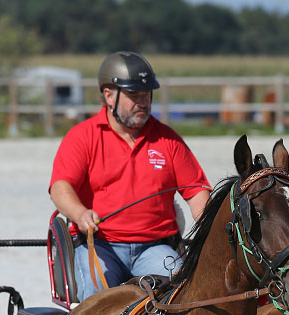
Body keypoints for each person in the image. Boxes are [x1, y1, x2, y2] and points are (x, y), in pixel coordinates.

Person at [49, 51, 211, 300]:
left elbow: (197, 191)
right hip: (100, 245)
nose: (143, 103)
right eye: (134, 96)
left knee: (184, 294)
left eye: (146, 96)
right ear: (109, 96)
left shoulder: (168, 139)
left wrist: (209, 228)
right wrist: (80, 214)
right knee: (97, 300)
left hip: (155, 248)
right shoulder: (83, 137)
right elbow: (61, 187)